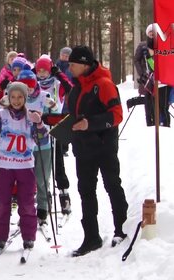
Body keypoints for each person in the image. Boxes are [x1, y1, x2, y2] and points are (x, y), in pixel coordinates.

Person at [66, 45, 128, 257]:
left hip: (103, 146)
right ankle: (91, 237)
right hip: (82, 149)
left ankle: (122, 228)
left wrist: (89, 124)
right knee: (86, 191)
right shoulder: (76, 87)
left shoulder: (104, 84)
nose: (70, 68)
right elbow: (72, 116)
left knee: (112, 185)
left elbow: (117, 115)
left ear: (84, 64)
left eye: (73, 64)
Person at [0, 82, 49, 250]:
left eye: (20, 97)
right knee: (2, 203)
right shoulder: (1, 115)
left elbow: (43, 140)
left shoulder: (31, 116)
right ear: (8, 98)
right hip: (4, 166)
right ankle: (0, 237)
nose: (16, 100)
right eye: (13, 97)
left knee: (26, 203)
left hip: (25, 167)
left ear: (25, 98)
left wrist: (39, 124)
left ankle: (29, 236)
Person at [16, 69, 57, 226]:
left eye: (31, 86)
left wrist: (52, 107)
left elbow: (55, 114)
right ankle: (26, 211)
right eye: (25, 87)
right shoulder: (18, 98)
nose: (29, 90)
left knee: (41, 178)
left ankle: (42, 209)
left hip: (43, 143)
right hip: (25, 145)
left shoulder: (43, 96)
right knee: (25, 181)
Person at [35, 55, 74, 215]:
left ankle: (64, 194)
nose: (42, 74)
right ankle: (46, 195)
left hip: (55, 126)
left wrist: (58, 73)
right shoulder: (35, 84)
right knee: (42, 166)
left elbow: (70, 87)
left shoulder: (57, 84)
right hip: (39, 128)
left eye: (45, 70)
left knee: (58, 163)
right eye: (39, 71)